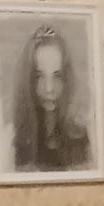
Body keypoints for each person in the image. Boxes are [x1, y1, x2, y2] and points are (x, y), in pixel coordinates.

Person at [11, 24, 93, 173]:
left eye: (57, 76)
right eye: (39, 76)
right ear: (28, 79)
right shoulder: (11, 139)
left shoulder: (82, 135)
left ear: (67, 79)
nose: (49, 89)